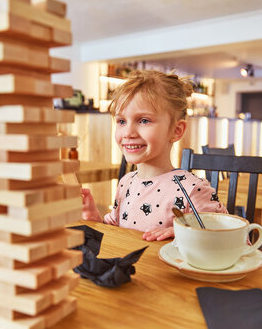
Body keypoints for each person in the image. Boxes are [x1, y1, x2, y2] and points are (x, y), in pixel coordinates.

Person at [82, 70, 227, 241]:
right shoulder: (126, 182)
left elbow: (235, 240)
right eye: (121, 121)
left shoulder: (193, 189)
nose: (128, 132)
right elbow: (115, 233)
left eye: (144, 120)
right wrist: (94, 219)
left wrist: (189, 233)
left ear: (176, 131)